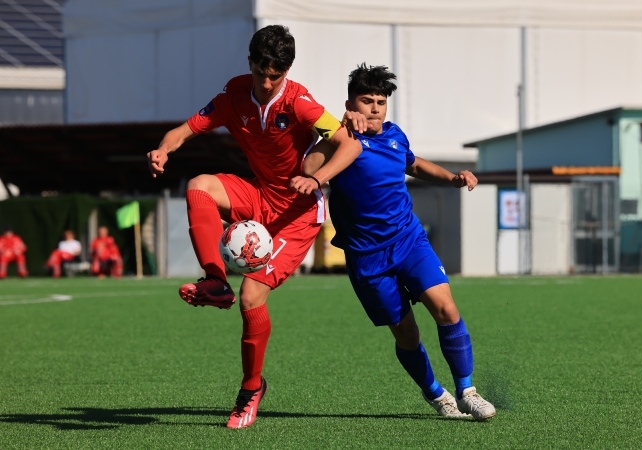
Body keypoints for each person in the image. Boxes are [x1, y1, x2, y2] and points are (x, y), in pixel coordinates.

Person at [146, 25, 365, 429]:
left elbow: (349, 144)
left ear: (287, 71)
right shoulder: (233, 95)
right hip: (263, 198)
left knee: (251, 297)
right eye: (261, 72)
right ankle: (214, 280)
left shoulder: (301, 105)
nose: (266, 83)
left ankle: (251, 388)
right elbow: (185, 130)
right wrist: (163, 148)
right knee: (200, 186)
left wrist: (317, 179)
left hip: (298, 216)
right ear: (249, 63)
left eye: (275, 76)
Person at [304, 64, 496, 421]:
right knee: (407, 336)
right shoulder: (339, 141)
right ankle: (437, 396)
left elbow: (415, 164)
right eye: (367, 101)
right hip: (367, 258)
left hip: (409, 241)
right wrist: (335, 129)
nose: (375, 108)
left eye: (381, 101)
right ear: (350, 104)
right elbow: (307, 168)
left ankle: (467, 390)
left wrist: (452, 178)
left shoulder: (395, 135)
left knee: (447, 310)